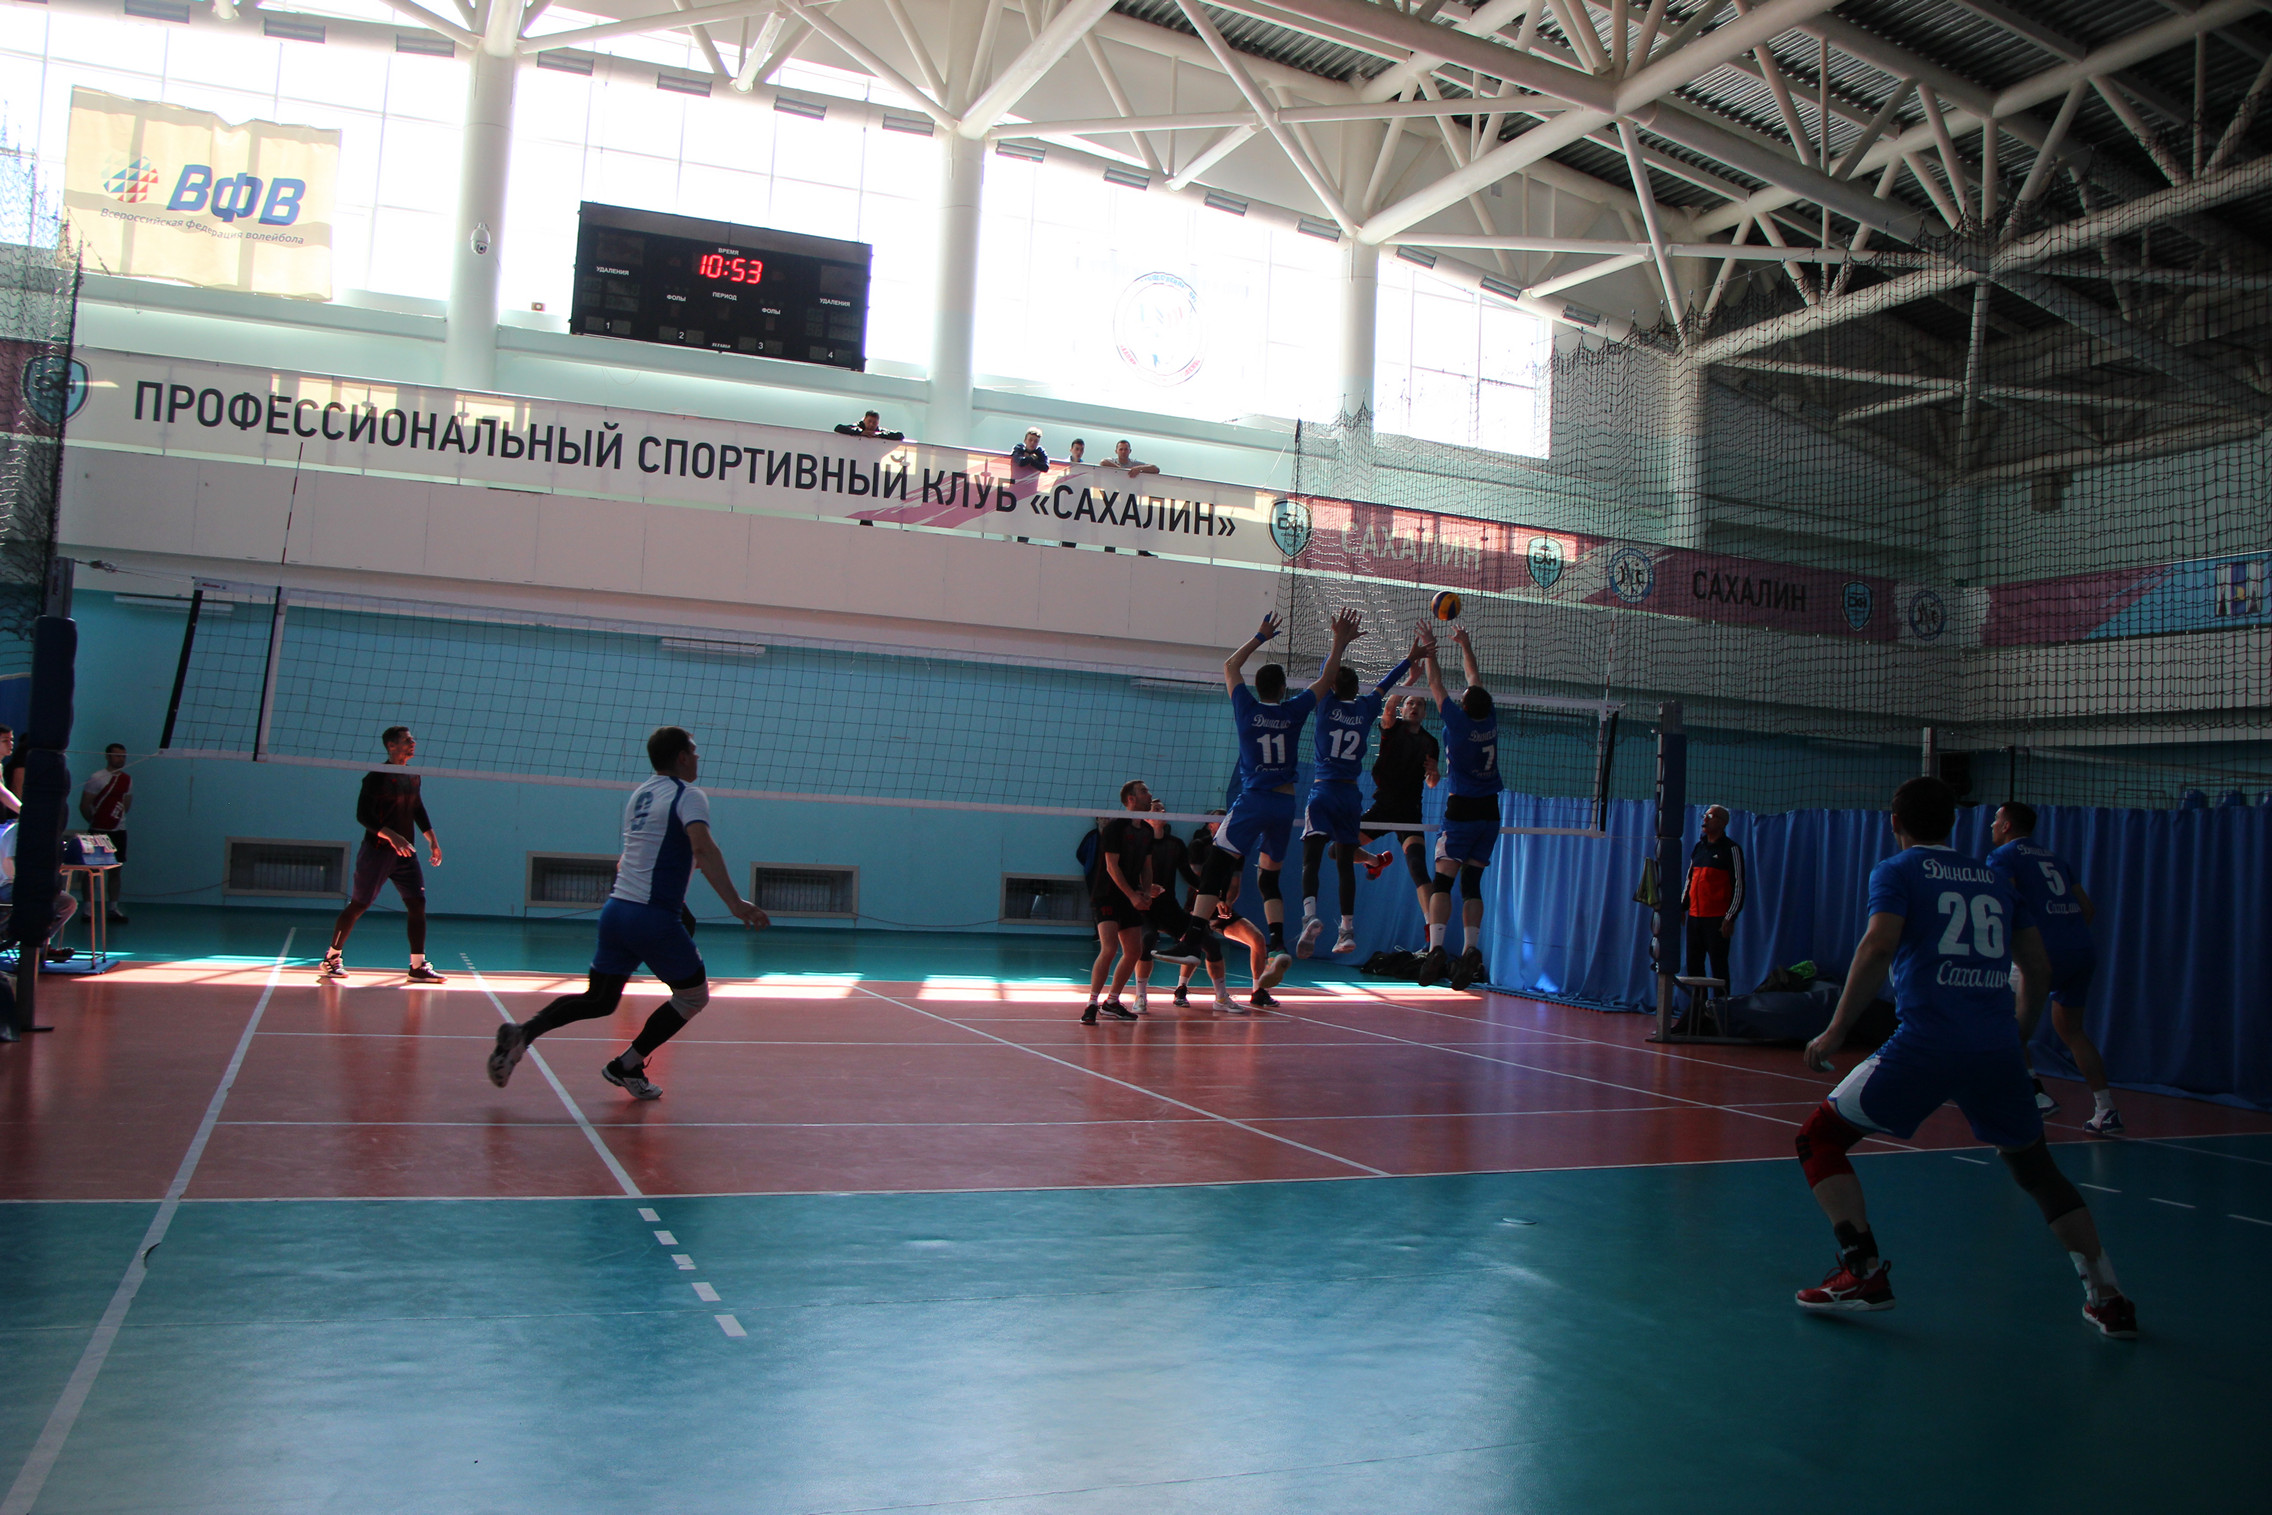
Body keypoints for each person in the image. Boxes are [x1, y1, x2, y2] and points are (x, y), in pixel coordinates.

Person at [1792, 777, 2136, 1339]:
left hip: (1926, 1044)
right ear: (1954, 823)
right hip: (1996, 1048)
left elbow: (1878, 944)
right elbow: (2038, 967)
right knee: (2035, 1169)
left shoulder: (1897, 871)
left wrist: (1835, 1031)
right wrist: (2018, 1036)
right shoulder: (1995, 878)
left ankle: (1864, 1273)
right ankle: (2108, 1297)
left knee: (1819, 1139)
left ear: (1895, 823)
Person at [489, 726, 768, 1099]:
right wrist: (735, 903)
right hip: (651, 918)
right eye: (694, 751)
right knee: (692, 997)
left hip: (617, 910)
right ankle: (627, 1065)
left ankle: (523, 1033)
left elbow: (637, 859)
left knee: (599, 1000)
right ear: (682, 756)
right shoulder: (689, 795)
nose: (698, 757)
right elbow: (703, 848)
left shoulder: (641, 795)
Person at [1182, 607, 1363, 1007]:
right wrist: (1339, 642)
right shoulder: (1293, 711)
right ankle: (1279, 943)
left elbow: (1230, 665)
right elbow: (1327, 680)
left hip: (1254, 799)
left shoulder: (1246, 708)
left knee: (1216, 863)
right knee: (1268, 879)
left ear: (1259, 687)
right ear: (1283, 689)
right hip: (1285, 804)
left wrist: (1261, 636)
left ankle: (1193, 939)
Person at [1988, 801, 2121, 1135]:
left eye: (1995, 819)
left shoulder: (2003, 857)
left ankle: (2036, 1096)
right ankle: (2106, 1109)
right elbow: (2087, 909)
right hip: (2080, 950)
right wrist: (2064, 935)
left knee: (2005, 1026)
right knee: (2072, 1031)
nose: (1991, 825)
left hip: (2040, 955)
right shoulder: (2054, 858)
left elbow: (2006, 905)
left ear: (2006, 826)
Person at [1297, 633, 1419, 958]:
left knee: (1311, 858)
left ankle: (1310, 916)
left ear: (1332, 686)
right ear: (1356, 689)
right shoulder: (1366, 706)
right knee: (1345, 863)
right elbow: (1386, 683)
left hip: (1324, 789)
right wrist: (1410, 659)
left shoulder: (1326, 703)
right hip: (1350, 795)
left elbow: (1326, 672)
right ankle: (1347, 930)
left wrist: (1339, 641)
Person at [1086, 781, 1227, 1022]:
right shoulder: (1115, 828)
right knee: (1109, 949)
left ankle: (1112, 1002)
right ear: (1131, 799)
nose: (1149, 794)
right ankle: (1091, 1004)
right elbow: (1111, 867)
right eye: (1144, 792)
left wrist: (1145, 890)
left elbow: (1146, 866)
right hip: (1107, 895)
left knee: (1133, 951)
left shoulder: (1147, 832)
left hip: (1135, 899)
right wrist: (1133, 895)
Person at [320, 727, 445, 984]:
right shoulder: (376, 777)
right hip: (377, 852)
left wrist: (432, 840)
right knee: (360, 904)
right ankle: (331, 958)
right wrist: (391, 835)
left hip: (405, 853)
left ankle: (418, 966)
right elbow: (363, 816)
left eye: (412, 739)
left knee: (417, 903)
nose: (413, 743)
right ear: (391, 746)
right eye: (407, 740)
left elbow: (417, 809)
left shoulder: (413, 775)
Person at [1414, 625, 1500, 991]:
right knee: (1472, 884)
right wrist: (1465, 645)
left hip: (1462, 809)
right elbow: (1474, 680)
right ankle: (1470, 950)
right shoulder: (1488, 718)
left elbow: (1435, 684)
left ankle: (1436, 948)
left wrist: (1430, 650)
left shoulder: (1459, 722)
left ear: (1464, 706)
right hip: (1490, 812)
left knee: (1442, 882)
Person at [1361, 694, 1440, 921]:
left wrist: (1434, 773)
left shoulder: (1430, 742)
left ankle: (1432, 929)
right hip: (1383, 808)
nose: (1414, 706)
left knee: (1418, 867)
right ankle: (1376, 861)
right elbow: (1389, 705)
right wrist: (1410, 678)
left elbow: (1432, 782)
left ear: (1425, 713)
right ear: (1403, 709)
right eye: (1410, 703)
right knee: (1337, 851)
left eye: (1420, 704)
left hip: (1409, 813)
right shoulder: (1392, 728)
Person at [1681, 804, 1745, 1011]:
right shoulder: (1698, 848)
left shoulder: (1731, 850)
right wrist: (1682, 907)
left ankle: (1721, 1013)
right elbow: (1689, 880)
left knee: (1719, 969)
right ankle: (1698, 1014)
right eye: (1705, 815)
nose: (1705, 819)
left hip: (1717, 921)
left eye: (1711, 816)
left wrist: (1730, 917)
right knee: (1694, 969)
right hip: (1695, 919)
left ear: (1723, 823)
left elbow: (1739, 885)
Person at [0, 817, 79, 958]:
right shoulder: (18, 830)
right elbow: (13, 863)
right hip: (11, 885)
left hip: (31, 884)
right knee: (47, 900)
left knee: (68, 902)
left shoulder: (39, 832)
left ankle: (41, 945)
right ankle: (15, 936)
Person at [78, 743, 132, 925]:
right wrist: (96, 824)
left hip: (119, 831)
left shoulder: (127, 779)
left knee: (116, 871)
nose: (121, 759)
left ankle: (113, 908)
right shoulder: (97, 778)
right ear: (108, 756)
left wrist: (116, 821)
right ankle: (87, 909)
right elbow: (84, 805)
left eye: (123, 756)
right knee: (91, 871)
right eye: (117, 755)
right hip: (98, 831)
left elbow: (127, 804)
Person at [833, 410, 904, 440]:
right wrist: (861, 432)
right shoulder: (857, 426)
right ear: (864, 419)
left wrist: (879, 435)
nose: (871, 424)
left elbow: (900, 435)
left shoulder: (879, 430)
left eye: (874, 422)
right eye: (869, 421)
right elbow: (838, 428)